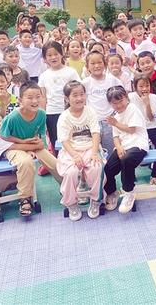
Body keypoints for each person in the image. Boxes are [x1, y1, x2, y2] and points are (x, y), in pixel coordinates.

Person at [56, 81, 104, 221]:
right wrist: (75, 155)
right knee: (71, 173)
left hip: (90, 148)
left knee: (96, 168)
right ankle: (71, 204)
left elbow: (95, 133)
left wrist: (94, 153)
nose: (79, 98)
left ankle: (95, 201)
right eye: (75, 95)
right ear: (67, 98)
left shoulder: (90, 111)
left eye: (82, 94)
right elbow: (64, 140)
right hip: (71, 151)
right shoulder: (64, 117)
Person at [0, 81, 62, 184]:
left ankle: (67, 189)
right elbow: (3, 137)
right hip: (13, 147)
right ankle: (26, 194)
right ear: (20, 100)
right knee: (26, 162)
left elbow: (37, 134)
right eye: (30, 98)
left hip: (31, 146)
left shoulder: (41, 114)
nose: (35, 101)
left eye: (38, 97)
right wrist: (23, 142)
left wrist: (34, 144)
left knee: (57, 165)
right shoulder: (12, 117)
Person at [104, 85, 148, 214]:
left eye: (120, 101)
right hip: (123, 146)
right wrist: (118, 147)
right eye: (114, 103)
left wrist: (115, 123)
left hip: (138, 144)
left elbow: (132, 129)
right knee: (108, 168)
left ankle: (129, 192)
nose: (118, 105)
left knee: (126, 159)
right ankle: (112, 192)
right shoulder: (115, 115)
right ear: (110, 103)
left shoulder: (132, 108)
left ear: (126, 98)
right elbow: (115, 136)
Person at [38, 41, 81, 152]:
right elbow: (43, 97)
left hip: (70, 112)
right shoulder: (43, 76)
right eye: (49, 55)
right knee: (56, 142)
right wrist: (42, 115)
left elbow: (78, 92)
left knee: (73, 141)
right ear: (45, 58)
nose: (53, 57)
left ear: (62, 54)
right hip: (52, 113)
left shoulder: (71, 72)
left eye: (56, 54)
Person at [81, 52, 123, 155]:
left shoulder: (112, 80)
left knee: (111, 151)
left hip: (110, 121)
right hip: (93, 122)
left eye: (99, 62)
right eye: (93, 63)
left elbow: (123, 96)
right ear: (87, 66)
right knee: (96, 152)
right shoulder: (85, 83)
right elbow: (82, 102)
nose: (97, 66)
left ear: (105, 64)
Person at [129, 75, 156, 184]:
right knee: (130, 149)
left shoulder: (154, 97)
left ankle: (155, 174)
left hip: (151, 126)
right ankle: (130, 175)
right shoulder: (130, 97)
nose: (144, 89)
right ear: (135, 87)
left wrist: (147, 103)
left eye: (147, 85)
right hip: (137, 128)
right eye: (141, 86)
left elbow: (150, 118)